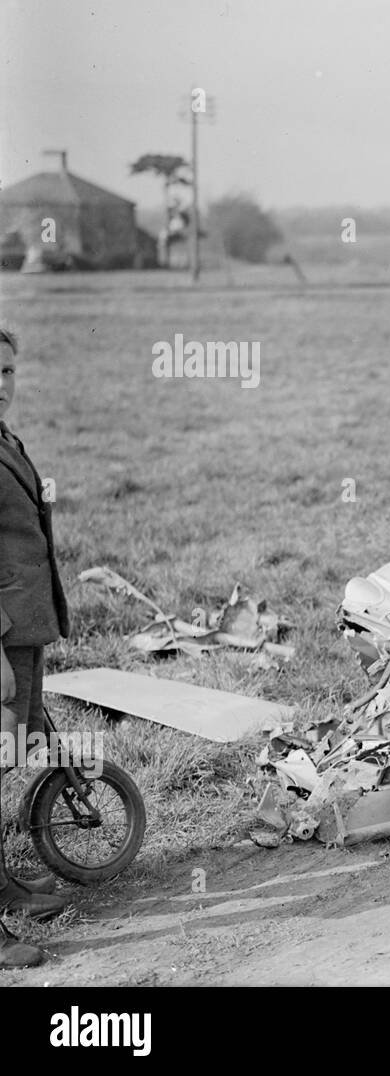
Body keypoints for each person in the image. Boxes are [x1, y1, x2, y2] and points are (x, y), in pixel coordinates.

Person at [0, 325, 70, 969]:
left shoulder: (5, 440)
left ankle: (1, 886)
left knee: (6, 757)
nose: (1, 387)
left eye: (8, 372)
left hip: (22, 629)